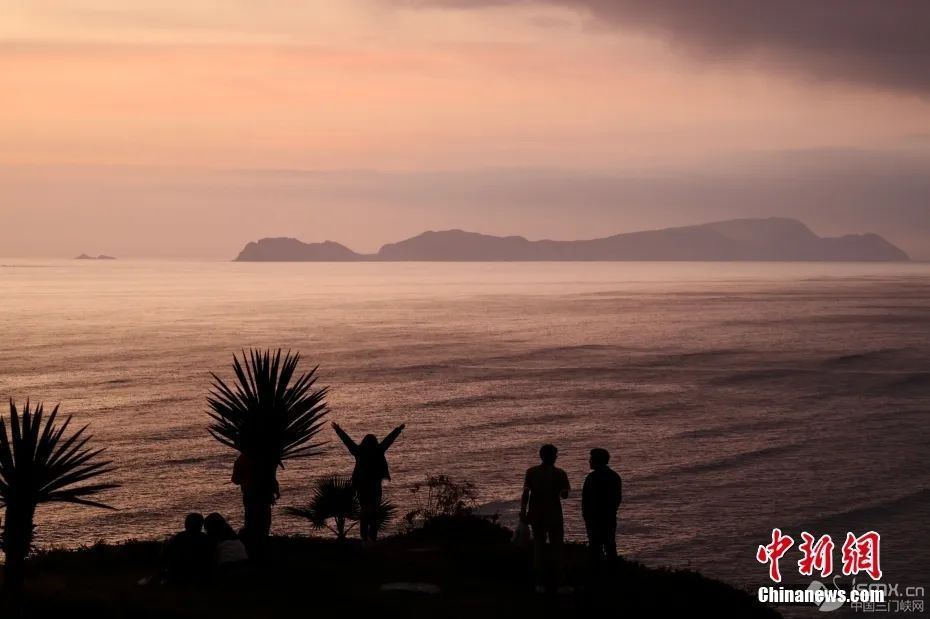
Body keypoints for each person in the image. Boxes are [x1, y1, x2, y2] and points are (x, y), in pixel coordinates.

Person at [332, 421, 405, 541]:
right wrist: (398, 429)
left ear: (364, 442)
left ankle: (364, 538)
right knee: (374, 512)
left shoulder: (359, 451)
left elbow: (347, 441)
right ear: (374, 442)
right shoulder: (378, 450)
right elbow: (389, 440)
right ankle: (372, 537)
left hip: (362, 488)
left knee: (365, 512)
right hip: (375, 487)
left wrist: (338, 429)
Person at [520, 443, 570, 593]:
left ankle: (540, 583)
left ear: (541, 456)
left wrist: (523, 512)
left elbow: (526, 494)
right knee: (557, 549)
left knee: (539, 548)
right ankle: (560, 583)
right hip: (554, 515)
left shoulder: (531, 472)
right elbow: (564, 495)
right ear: (554, 457)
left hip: (536, 515)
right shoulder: (560, 473)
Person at [582, 448, 622, 569]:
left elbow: (586, 500)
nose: (589, 461)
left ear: (596, 460)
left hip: (594, 518)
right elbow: (617, 498)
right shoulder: (614, 476)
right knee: (610, 546)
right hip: (609, 517)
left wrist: (586, 516)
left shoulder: (591, 478)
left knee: (595, 547)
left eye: (591, 459)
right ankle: (612, 571)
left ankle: (598, 572)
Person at [163, 512, 213, 585]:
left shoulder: (178, 538)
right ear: (201, 525)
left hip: (179, 576)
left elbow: (165, 556)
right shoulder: (206, 539)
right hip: (201, 576)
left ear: (186, 525)